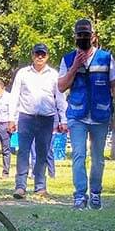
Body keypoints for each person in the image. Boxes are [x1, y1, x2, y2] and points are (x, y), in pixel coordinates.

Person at [58, 19, 115, 210]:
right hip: (77, 115)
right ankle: (80, 195)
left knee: (98, 158)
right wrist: (74, 67)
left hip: (100, 114)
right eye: (79, 35)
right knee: (78, 155)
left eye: (86, 35)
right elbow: (61, 86)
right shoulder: (67, 59)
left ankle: (95, 193)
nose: (83, 38)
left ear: (93, 36)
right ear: (75, 37)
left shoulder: (106, 58)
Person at [11, 43, 67, 199]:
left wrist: (63, 119)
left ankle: (40, 187)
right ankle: (20, 187)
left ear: (47, 56)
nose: (40, 57)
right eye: (37, 54)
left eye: (43, 54)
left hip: (46, 118)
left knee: (43, 153)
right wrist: (11, 118)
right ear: (32, 55)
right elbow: (14, 96)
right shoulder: (23, 73)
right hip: (26, 117)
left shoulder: (54, 75)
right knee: (23, 152)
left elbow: (60, 98)